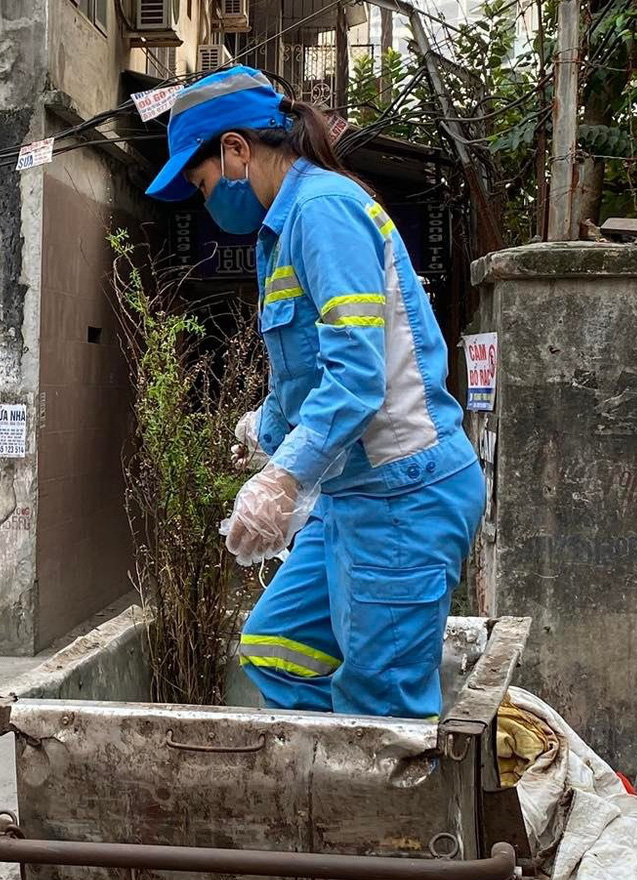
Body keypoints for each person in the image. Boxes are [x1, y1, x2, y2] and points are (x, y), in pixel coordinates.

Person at [145, 66, 485, 720]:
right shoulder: (284, 229)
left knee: (381, 715)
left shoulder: (321, 211)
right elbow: (308, 375)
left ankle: (372, 810)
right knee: (277, 646)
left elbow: (359, 378)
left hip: (402, 495)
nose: (205, 199)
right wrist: (265, 432)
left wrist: (283, 480)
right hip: (353, 493)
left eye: (202, 181)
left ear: (237, 150)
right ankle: (329, 796)